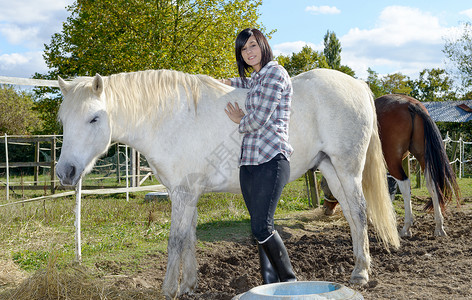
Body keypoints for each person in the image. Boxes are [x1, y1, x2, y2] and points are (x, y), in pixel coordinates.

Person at [222, 28, 296, 284]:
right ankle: (269, 284)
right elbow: (248, 83)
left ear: (263, 45)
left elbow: (259, 118)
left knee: (261, 227)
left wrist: (239, 120)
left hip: (271, 159)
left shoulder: (276, 73)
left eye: (252, 45)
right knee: (261, 228)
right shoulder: (257, 78)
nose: (249, 52)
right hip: (249, 162)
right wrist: (227, 82)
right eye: (243, 49)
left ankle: (289, 281)